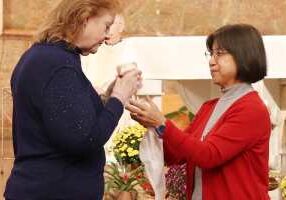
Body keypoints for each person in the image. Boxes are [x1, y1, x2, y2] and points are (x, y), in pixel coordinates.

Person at [4, 0, 142, 199]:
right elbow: (84, 139)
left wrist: (108, 96)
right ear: (84, 18)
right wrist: (119, 98)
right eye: (106, 25)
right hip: (52, 191)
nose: (107, 35)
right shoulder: (57, 64)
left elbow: (66, 121)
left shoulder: (43, 56)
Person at [127, 24, 271, 200]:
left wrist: (161, 123)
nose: (211, 61)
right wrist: (151, 124)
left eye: (220, 53)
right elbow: (177, 155)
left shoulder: (251, 109)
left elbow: (209, 156)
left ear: (244, 55)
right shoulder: (209, 107)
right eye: (211, 54)